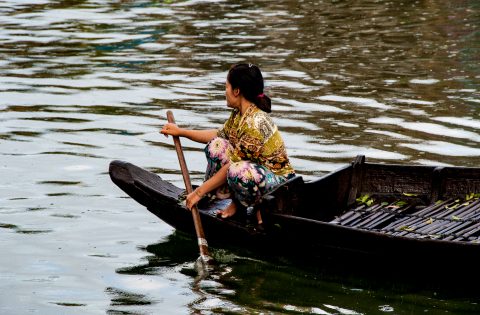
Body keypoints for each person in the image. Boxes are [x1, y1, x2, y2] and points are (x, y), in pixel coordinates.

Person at [160, 63, 295, 225]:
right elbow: (218, 135)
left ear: (237, 91)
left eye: (226, 87)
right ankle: (223, 198)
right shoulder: (240, 114)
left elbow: (232, 166)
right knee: (217, 146)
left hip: (280, 186)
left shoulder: (254, 123)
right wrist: (180, 131)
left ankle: (249, 207)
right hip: (257, 173)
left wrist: (198, 192)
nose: (225, 92)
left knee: (237, 170)